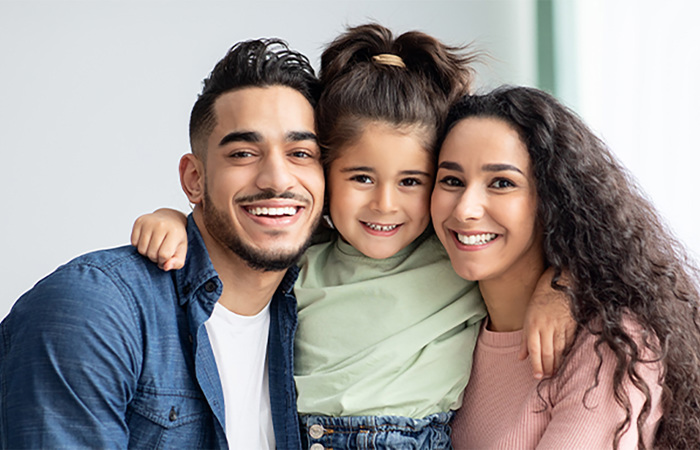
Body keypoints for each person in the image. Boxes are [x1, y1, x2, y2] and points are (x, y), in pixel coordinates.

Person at [132, 24, 574, 448]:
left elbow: (546, 251)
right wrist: (173, 218)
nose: (385, 204)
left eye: (411, 181)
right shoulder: (300, 258)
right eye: (362, 178)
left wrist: (558, 288)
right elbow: (229, 249)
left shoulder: (452, 257)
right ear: (324, 176)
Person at [0, 39, 324, 449]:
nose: (277, 179)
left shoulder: (323, 311)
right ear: (194, 179)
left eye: (300, 153)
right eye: (243, 153)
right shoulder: (94, 310)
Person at [430, 86, 700, 449]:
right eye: (451, 180)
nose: (465, 209)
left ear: (554, 199)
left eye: (502, 183)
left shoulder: (611, 345)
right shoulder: (444, 325)